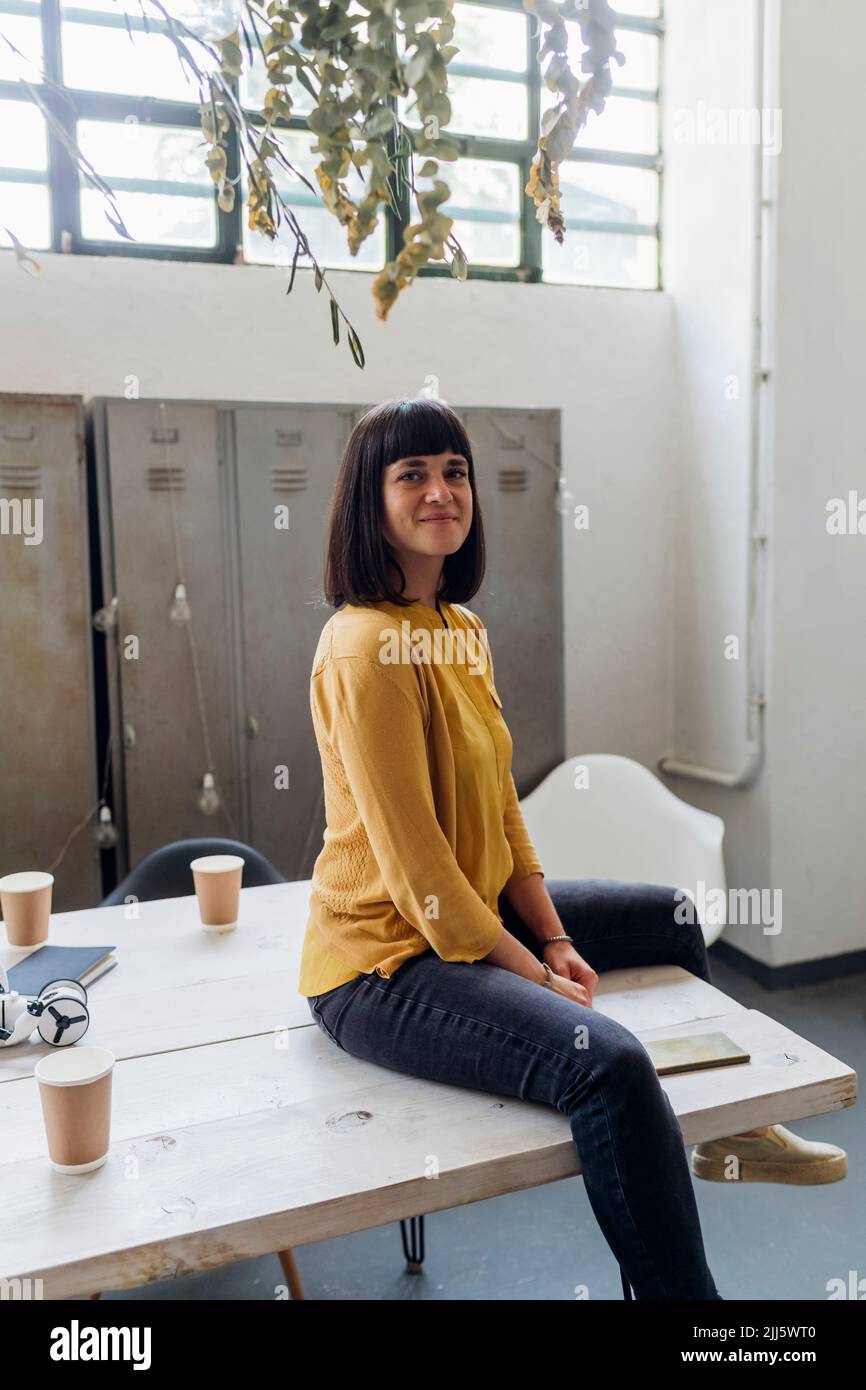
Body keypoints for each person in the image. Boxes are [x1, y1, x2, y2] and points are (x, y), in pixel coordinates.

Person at [298, 396, 844, 1300]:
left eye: (454, 471)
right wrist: (538, 978)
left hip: (466, 911)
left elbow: (503, 807)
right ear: (370, 500)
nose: (442, 491)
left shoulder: (459, 629)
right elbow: (420, 876)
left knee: (668, 918)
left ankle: (716, 1130)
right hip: (381, 964)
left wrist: (553, 937)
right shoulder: (362, 649)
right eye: (412, 476)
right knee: (607, 1060)